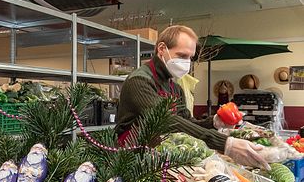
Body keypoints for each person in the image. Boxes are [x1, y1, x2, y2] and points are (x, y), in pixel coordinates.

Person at [115, 25, 269, 169]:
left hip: (162, 156)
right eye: (182, 55)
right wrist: (225, 143)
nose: (186, 62)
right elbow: (166, 121)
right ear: (162, 49)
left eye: (190, 57)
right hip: (132, 159)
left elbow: (186, 123)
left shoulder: (175, 87)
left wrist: (214, 122)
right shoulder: (140, 81)